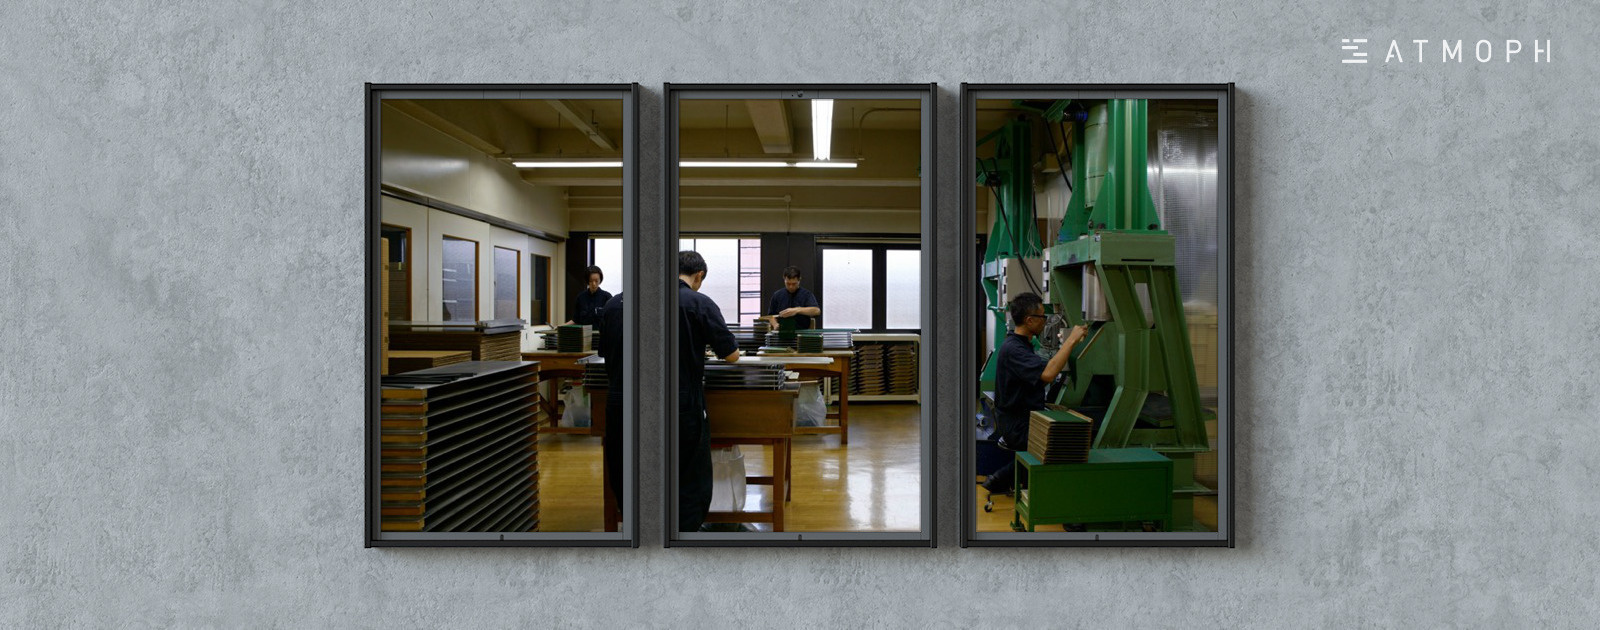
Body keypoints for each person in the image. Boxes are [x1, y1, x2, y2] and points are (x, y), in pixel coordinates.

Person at [982, 292, 1088, 495]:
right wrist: (1071, 341)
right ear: (1029, 320)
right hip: (1018, 426)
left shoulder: (1020, 344)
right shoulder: (1015, 349)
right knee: (1068, 441)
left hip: (1019, 418)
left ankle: (999, 480)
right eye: (1042, 317)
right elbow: (1048, 374)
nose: (1045, 321)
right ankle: (1067, 501)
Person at [676, 251, 740, 532]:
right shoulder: (699, 303)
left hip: (634, 401)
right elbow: (732, 355)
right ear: (698, 276)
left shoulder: (633, 299)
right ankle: (685, 534)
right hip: (683, 402)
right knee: (691, 472)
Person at [597, 292, 625, 527]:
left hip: (619, 392)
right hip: (661, 396)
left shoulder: (612, 304)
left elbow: (603, 351)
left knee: (619, 458)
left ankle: (627, 512)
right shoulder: (669, 301)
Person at [765, 266, 821, 330]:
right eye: (788, 284)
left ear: (799, 280)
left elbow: (817, 311)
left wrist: (797, 310)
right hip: (782, 333)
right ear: (784, 279)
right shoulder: (777, 295)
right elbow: (771, 316)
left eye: (794, 284)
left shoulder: (807, 294)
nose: (791, 287)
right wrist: (775, 324)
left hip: (801, 333)